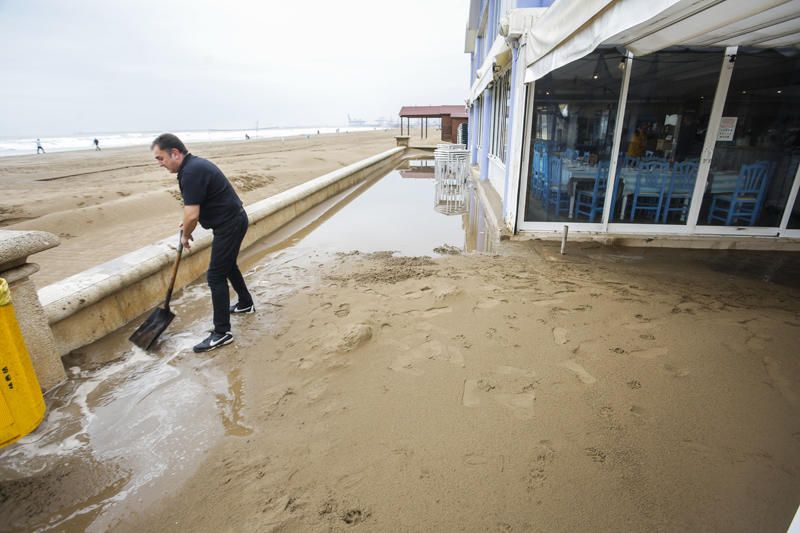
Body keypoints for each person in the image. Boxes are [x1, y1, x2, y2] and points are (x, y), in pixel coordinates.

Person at [151, 133, 255, 353]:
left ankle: (221, 333)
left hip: (230, 224)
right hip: (232, 221)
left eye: (161, 158)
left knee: (215, 275)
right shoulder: (193, 167)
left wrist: (185, 234)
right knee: (227, 266)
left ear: (175, 153)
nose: (159, 164)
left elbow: (192, 215)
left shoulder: (190, 172)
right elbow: (194, 208)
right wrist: (187, 225)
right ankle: (245, 303)